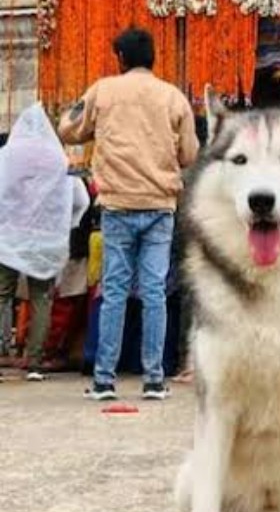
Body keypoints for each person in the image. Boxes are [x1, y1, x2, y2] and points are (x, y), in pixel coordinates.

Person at [59, 26, 198, 401]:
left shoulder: (102, 90)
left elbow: (68, 128)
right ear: (153, 57)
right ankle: (154, 379)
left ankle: (105, 379)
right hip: (159, 207)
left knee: (116, 290)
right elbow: (189, 154)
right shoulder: (173, 97)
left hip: (118, 205)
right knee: (154, 290)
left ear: (121, 58)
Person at [0, 105, 90, 381]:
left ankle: (2, 353)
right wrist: (65, 225)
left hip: (7, 238)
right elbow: (81, 201)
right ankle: (36, 362)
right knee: (42, 298)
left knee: (2, 296)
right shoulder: (57, 160)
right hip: (46, 242)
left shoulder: (6, 157)